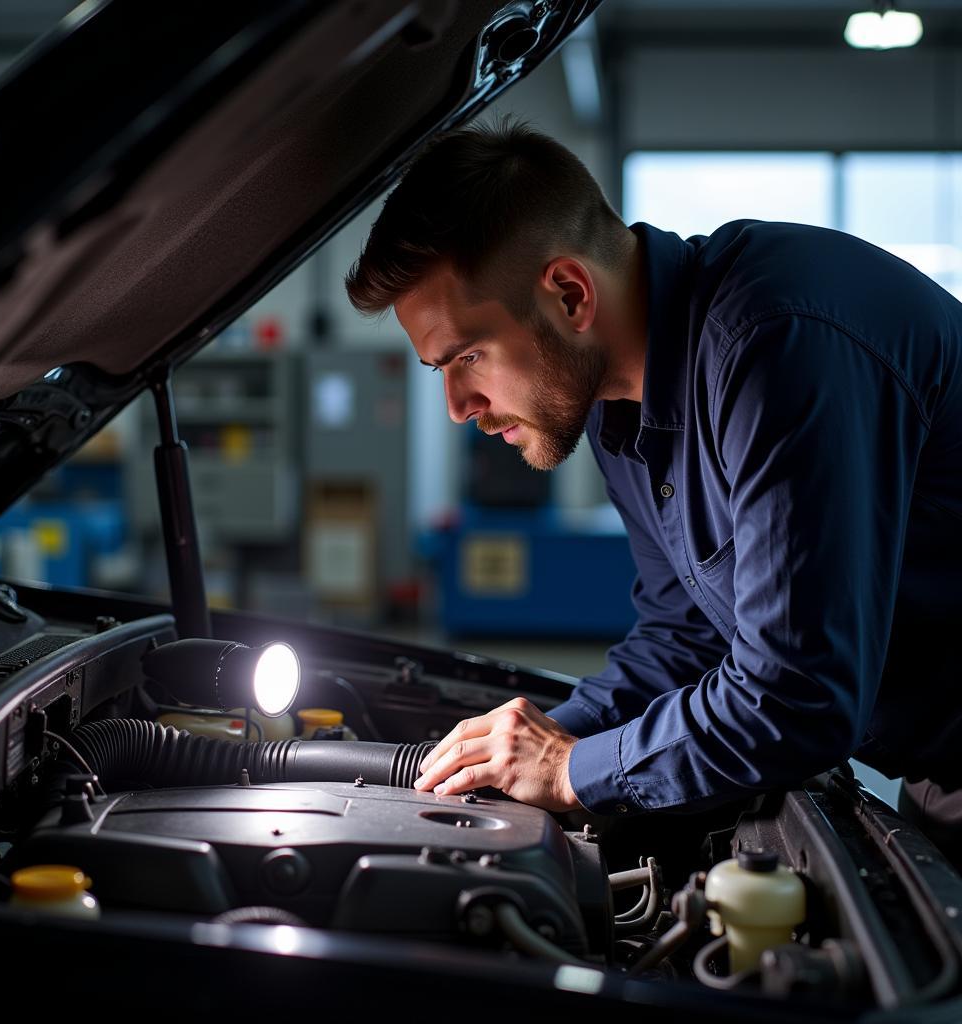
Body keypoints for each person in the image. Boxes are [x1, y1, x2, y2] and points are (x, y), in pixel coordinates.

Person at [344, 121, 962, 860]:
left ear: (570, 294)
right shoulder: (621, 411)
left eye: (468, 356)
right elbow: (688, 634)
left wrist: (574, 770)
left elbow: (798, 697)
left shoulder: (774, 345)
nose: (456, 404)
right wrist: (528, 749)